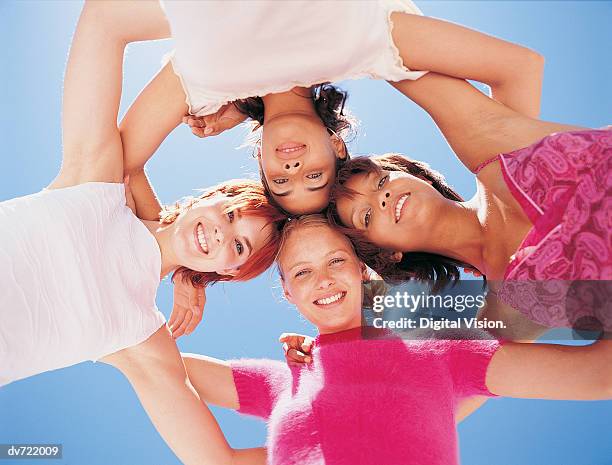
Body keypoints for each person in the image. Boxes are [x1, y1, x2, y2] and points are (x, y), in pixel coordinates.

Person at [0, 3, 282, 463]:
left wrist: (348, 445)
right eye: (230, 213)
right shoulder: (95, 185)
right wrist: (238, 42)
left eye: (238, 245)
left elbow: (217, 461)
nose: (219, 230)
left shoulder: (142, 340)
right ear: (208, 197)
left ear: (228, 271)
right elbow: (105, 20)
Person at [178, 215, 612, 465]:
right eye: (302, 272)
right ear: (288, 293)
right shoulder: (283, 380)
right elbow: (156, 360)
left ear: (363, 272)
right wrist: (184, 271)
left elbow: (598, 374)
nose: (324, 280)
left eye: (336, 261)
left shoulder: (441, 348)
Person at [129, 0, 545, 215]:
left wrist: (184, 264)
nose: (294, 172)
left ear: (260, 158)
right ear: (336, 146)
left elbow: (122, 163)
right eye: (315, 176)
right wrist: (520, 196)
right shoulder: (368, 50)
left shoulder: (205, 89)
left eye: (280, 183)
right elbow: (520, 67)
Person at [326, 69, 611, 331]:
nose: (383, 198)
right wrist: (322, 350)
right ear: (388, 255)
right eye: (366, 216)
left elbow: (387, 55)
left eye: (382, 181)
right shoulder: (503, 313)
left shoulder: (491, 153)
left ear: (417, 176)